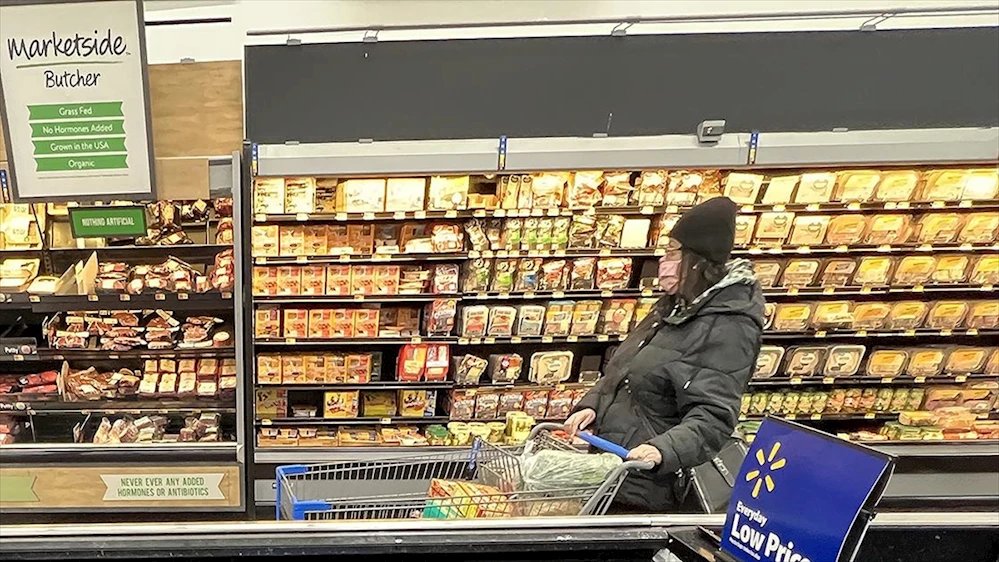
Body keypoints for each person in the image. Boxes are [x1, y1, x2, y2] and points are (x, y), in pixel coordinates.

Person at [564, 196, 764, 513]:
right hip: (615, 469)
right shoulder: (672, 308)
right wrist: (593, 405)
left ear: (696, 260)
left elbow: (714, 417)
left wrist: (662, 450)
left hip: (651, 484)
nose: (664, 260)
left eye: (672, 251)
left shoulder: (729, 326)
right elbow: (625, 371)